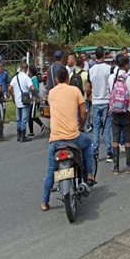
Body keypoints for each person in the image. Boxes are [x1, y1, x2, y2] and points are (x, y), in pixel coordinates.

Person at [41, 67, 95, 212]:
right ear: (68, 79)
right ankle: (89, 174)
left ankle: (44, 202)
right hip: (74, 137)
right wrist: (82, 125)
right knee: (88, 143)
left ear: (57, 79)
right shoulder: (75, 91)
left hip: (55, 141)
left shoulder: (51, 93)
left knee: (50, 171)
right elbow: (83, 111)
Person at [108, 56, 130, 174]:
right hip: (127, 112)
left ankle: (116, 168)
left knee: (115, 139)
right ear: (126, 65)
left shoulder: (111, 78)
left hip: (114, 112)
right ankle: (129, 166)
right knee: (127, 139)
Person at [88, 46, 113, 162]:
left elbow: (88, 87)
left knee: (96, 128)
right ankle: (109, 153)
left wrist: (90, 95)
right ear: (104, 55)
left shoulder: (91, 70)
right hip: (107, 101)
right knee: (107, 127)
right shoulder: (109, 69)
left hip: (96, 101)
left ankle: (95, 152)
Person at [9, 62, 36, 143]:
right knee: (24, 119)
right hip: (25, 101)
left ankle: (18, 135)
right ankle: (22, 136)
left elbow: (10, 88)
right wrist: (34, 95)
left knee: (19, 119)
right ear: (27, 69)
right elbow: (32, 88)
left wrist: (13, 96)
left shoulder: (15, 78)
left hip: (17, 101)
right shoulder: (26, 78)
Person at [28, 65, 47, 137]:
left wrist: (32, 91)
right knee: (31, 116)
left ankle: (42, 125)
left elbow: (36, 89)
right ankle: (31, 131)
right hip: (33, 99)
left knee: (32, 115)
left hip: (34, 99)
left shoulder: (34, 79)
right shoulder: (32, 78)